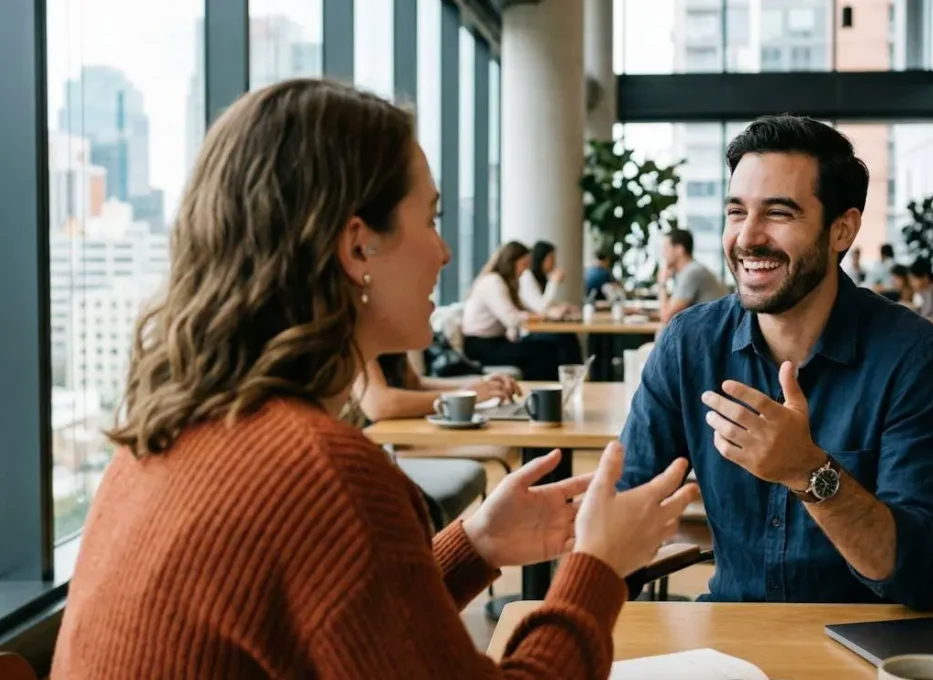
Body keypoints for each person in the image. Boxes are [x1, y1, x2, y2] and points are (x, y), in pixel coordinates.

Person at [51, 79, 699, 679]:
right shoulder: (319, 471)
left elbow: (342, 629)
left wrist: (475, 546)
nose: (445, 252)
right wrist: (598, 568)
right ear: (358, 245)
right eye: (432, 219)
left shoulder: (167, 433)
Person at [617, 115, 933, 610]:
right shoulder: (689, 345)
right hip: (729, 635)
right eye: (736, 211)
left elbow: (924, 575)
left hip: (869, 638)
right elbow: (628, 504)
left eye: (779, 213)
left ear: (842, 230)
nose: (748, 237)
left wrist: (809, 471)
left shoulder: (914, 357)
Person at [462, 241, 580, 380]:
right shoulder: (493, 282)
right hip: (482, 346)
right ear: (511, 262)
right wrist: (540, 316)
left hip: (495, 342)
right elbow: (512, 319)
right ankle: (550, 388)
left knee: (550, 346)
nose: (525, 270)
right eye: (523, 264)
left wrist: (544, 314)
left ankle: (565, 384)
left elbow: (523, 310)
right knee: (544, 351)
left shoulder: (504, 282)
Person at [349, 353, 521, 425]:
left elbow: (414, 385)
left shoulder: (389, 336)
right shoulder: (356, 332)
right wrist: (464, 395)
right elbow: (379, 405)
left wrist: (481, 385)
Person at [658, 229, 729, 326]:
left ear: (679, 249)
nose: (662, 253)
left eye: (666, 248)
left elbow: (667, 317)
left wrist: (662, 283)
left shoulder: (691, 272)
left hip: (711, 331)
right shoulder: (686, 271)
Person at [519, 240, 576, 318]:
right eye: (551, 258)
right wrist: (554, 282)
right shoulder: (526, 276)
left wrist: (562, 306)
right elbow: (541, 307)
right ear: (541, 259)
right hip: (528, 324)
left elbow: (544, 303)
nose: (554, 262)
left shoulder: (541, 277)